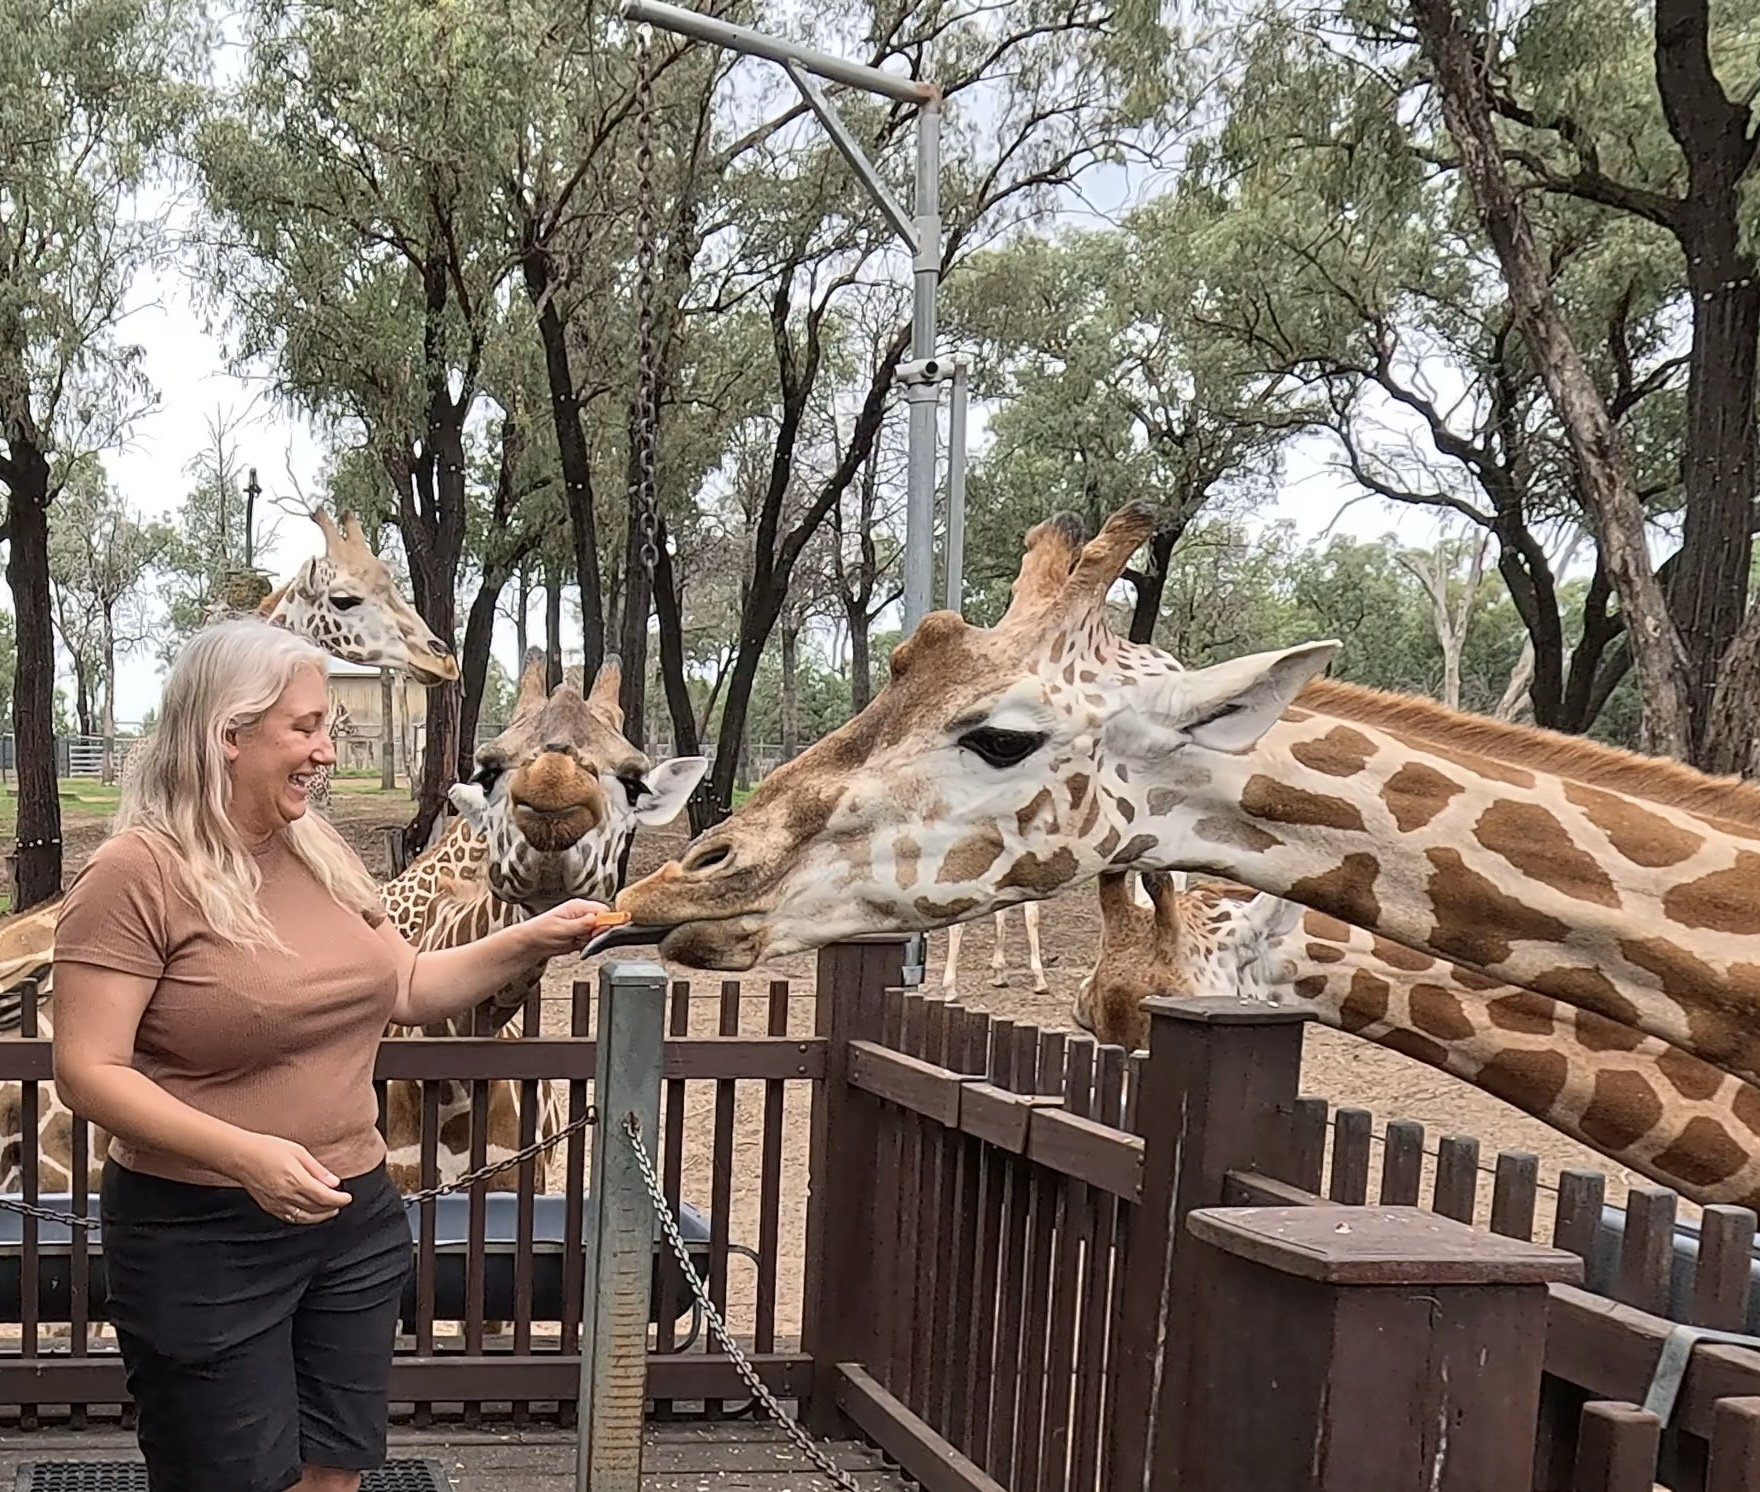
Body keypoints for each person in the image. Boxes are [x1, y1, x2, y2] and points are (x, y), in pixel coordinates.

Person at [52, 617, 615, 1492]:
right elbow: (88, 1073)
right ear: (227, 735)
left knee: (334, 1471)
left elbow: (410, 987)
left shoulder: (315, 848)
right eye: (306, 728)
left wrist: (537, 937)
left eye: (328, 728)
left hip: (352, 1222)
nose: (326, 751)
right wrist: (245, 1157)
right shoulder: (135, 874)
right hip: (202, 1236)